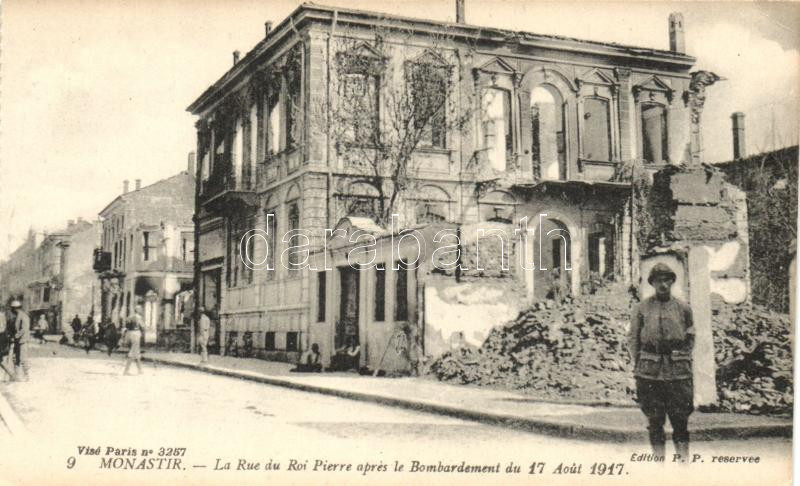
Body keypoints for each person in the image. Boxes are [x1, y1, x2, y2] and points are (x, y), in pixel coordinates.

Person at [628, 263, 695, 461]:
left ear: (672, 281)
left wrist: (682, 356)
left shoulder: (683, 307)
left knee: (680, 420)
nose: (663, 284)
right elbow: (633, 339)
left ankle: (683, 467)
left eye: (667, 280)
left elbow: (691, 335)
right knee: (655, 421)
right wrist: (639, 361)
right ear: (653, 283)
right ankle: (659, 467)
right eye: (659, 280)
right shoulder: (641, 308)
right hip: (649, 372)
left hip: (678, 373)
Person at [9, 300, 31, 381]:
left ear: (15, 308)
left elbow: (24, 329)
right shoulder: (17, 316)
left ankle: (26, 375)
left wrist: (16, 336)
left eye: (12, 308)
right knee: (15, 358)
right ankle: (16, 375)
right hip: (17, 341)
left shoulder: (24, 316)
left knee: (23, 358)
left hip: (23, 341)